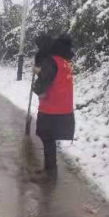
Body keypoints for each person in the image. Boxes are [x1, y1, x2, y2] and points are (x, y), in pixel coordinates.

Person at [32, 34, 75, 178]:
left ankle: (50, 172)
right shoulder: (65, 62)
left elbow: (44, 80)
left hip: (51, 108)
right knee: (49, 138)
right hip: (64, 108)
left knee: (47, 137)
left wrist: (38, 79)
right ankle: (50, 169)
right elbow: (55, 78)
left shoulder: (51, 61)